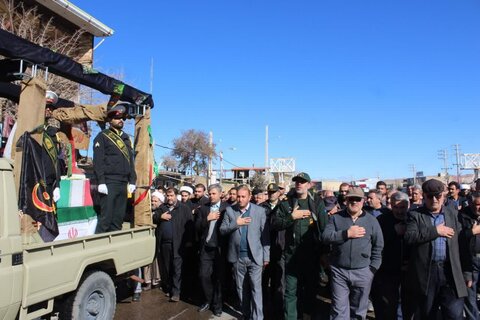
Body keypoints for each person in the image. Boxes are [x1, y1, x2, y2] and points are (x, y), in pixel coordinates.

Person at [405, 179, 469, 319]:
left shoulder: (452, 214)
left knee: (454, 314)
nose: (434, 199)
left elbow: (462, 245)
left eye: (438, 196)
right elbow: (410, 237)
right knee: (428, 313)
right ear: (424, 196)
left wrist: (467, 272)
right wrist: (436, 231)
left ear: (443, 195)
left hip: (450, 271)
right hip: (427, 273)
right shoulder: (415, 215)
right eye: (430, 196)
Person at [322, 187, 383, 319]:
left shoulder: (372, 221)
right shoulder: (336, 218)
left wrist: (372, 269)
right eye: (351, 199)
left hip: (363, 271)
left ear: (363, 201)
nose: (354, 202)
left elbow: (378, 246)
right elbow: (326, 237)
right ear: (346, 200)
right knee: (338, 310)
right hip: (339, 271)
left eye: (357, 199)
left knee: (359, 310)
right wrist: (346, 234)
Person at [273, 172, 328, 320]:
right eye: (297, 181)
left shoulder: (317, 202)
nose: (299, 184)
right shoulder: (286, 203)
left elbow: (324, 228)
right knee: (290, 292)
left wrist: (324, 253)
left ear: (309, 185)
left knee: (310, 292)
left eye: (303, 181)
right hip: (292, 257)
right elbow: (275, 224)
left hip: (312, 256)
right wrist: (292, 217)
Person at [220, 185, 270, 320]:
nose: (240, 199)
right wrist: (236, 223)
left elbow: (265, 235)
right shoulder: (230, 211)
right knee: (241, 290)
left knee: (256, 289)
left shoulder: (259, 211)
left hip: (255, 257)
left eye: (243, 196)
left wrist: (266, 256)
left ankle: (258, 317)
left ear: (249, 197)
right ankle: (246, 314)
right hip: (237, 258)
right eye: (238, 196)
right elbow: (222, 230)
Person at [93, 104, 136, 233]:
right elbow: (98, 161)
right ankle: (99, 247)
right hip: (109, 182)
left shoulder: (126, 138)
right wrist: (101, 181)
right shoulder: (103, 136)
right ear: (110, 120)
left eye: (122, 118)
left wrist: (132, 180)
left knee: (118, 220)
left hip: (123, 183)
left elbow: (130, 161)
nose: (121, 120)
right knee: (105, 219)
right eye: (117, 118)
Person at [370, 191, 411, 319]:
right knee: (388, 306)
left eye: (402, 207)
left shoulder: (414, 218)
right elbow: (375, 243)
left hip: (409, 271)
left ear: (408, 206)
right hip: (387, 271)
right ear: (390, 206)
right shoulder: (382, 220)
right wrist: (393, 232)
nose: (399, 211)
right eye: (396, 207)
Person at [153, 187, 192, 302]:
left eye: (171, 196)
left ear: (176, 196)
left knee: (177, 268)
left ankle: (176, 293)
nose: (169, 198)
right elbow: (154, 218)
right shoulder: (162, 207)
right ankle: (170, 288)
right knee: (167, 267)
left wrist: (189, 241)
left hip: (178, 244)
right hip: (164, 244)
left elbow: (190, 226)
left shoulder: (184, 208)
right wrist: (161, 217)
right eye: (168, 196)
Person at [195, 184, 228, 317]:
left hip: (220, 249)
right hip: (206, 248)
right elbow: (196, 227)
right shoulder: (203, 209)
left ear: (220, 194)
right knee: (203, 275)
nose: (211, 196)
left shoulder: (228, 209)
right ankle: (208, 299)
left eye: (214, 193)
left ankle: (217, 306)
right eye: (210, 193)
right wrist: (207, 219)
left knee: (219, 279)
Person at [260, 183, 285, 318]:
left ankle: (278, 310)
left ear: (279, 193)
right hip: (265, 247)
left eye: (274, 192)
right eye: (270, 192)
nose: (272, 194)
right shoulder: (261, 207)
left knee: (279, 282)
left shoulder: (284, 206)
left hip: (280, 247)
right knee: (264, 280)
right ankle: (264, 308)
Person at [459, 192, 480, 320]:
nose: (479, 207)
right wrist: (472, 232)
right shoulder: (462, 216)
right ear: (471, 203)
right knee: (470, 296)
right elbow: (457, 237)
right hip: (470, 262)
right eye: (477, 204)